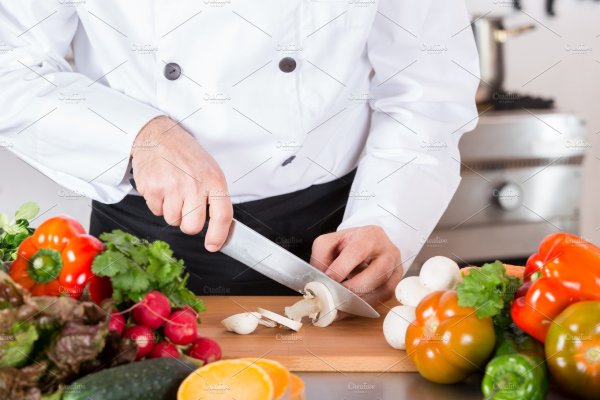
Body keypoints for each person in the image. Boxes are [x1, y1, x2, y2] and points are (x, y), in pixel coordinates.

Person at [0, 1, 479, 304]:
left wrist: (389, 217)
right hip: (140, 247)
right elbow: (9, 67)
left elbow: (428, 85)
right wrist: (137, 136)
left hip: (334, 239)